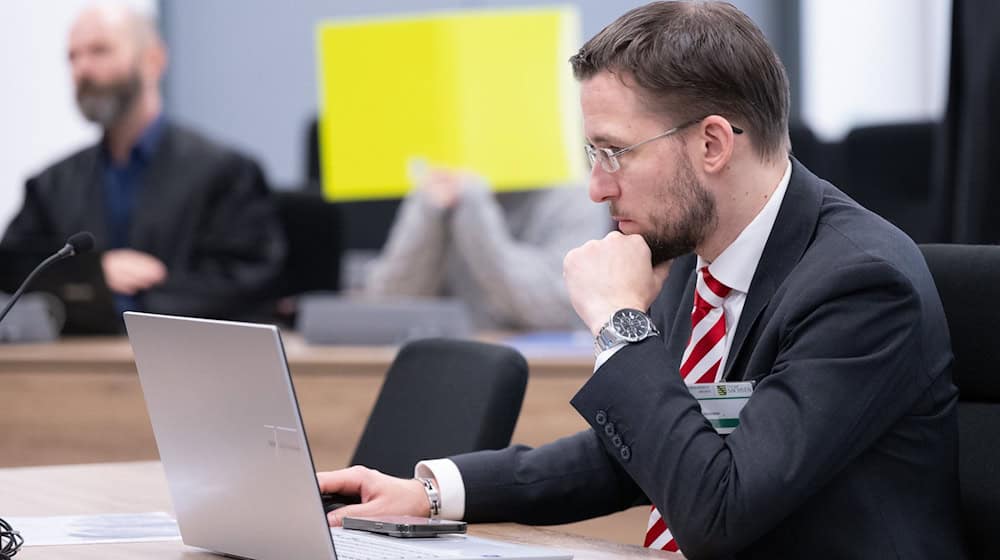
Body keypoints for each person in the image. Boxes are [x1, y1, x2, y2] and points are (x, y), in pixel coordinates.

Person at [316, 2, 964, 558]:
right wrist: (432, 493)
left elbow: (719, 509)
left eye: (613, 152)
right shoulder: (694, 251)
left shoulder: (861, 285)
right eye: (591, 154)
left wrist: (619, 323)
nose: (598, 188)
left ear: (712, 145)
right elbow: (640, 451)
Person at [0, 3, 286, 320]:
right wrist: (94, 272)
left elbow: (250, 279)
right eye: (73, 57)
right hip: (80, 349)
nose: (82, 68)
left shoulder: (225, 173)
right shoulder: (52, 184)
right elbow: (13, 266)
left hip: (179, 345)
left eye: (99, 51)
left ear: (153, 60)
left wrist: (143, 300)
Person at [365, 168, 610, 330]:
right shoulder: (436, 189)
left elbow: (556, 309)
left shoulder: (574, 192)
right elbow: (387, 310)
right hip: (454, 364)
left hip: (545, 373)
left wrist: (474, 208)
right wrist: (428, 211)